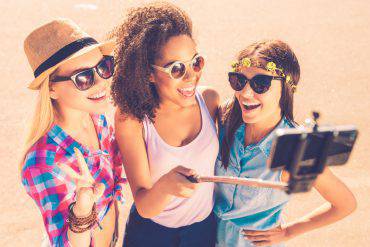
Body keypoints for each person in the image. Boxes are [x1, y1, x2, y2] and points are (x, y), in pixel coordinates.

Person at [214, 40, 357, 247]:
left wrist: (289, 231)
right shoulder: (225, 118)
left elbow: (345, 204)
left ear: (287, 88)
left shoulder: (295, 148)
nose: (245, 93)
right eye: (238, 80)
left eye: (260, 83)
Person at [110, 2, 219, 246]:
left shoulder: (210, 101)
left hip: (202, 232)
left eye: (196, 62)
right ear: (148, 73)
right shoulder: (131, 119)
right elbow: (145, 206)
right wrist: (167, 186)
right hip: (150, 235)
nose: (191, 76)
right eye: (177, 69)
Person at [21, 19, 125, 246]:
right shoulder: (44, 161)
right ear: (52, 89)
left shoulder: (96, 118)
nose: (101, 82)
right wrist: (83, 209)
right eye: (83, 78)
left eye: (104, 67)